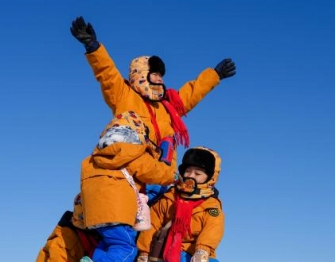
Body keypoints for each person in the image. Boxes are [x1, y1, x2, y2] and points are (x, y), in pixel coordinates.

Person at [70, 16, 236, 176]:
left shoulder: (168, 105)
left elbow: (192, 92)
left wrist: (215, 75)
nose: (160, 79)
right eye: (154, 74)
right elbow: (107, 74)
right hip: (134, 170)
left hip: (161, 175)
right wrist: (93, 47)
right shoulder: (123, 95)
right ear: (141, 75)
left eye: (161, 75)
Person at [69, 111, 177, 262]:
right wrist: (171, 172)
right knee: (126, 248)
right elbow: (156, 173)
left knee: (108, 243)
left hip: (93, 214)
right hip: (117, 211)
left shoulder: (92, 158)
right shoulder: (132, 152)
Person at [132, 147, 237, 262]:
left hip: (196, 253)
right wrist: (144, 251)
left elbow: (213, 229)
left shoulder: (211, 205)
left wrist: (202, 251)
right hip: (167, 251)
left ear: (209, 177)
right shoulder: (169, 198)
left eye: (198, 173)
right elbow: (152, 223)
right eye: (188, 171)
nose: (191, 176)